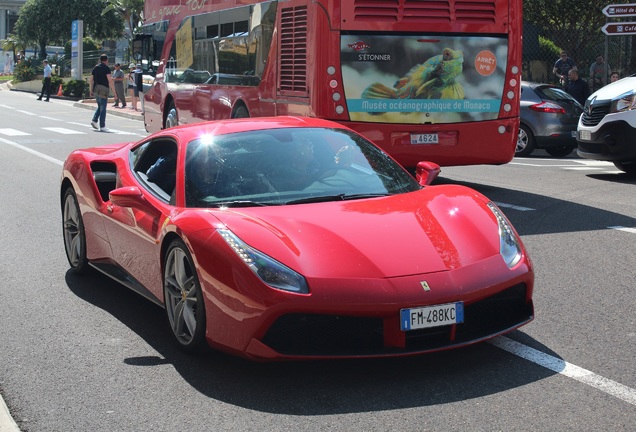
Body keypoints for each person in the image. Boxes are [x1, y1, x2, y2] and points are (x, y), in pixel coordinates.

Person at [88, 54, 115, 132]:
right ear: (106, 60)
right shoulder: (106, 68)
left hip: (96, 88)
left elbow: (91, 80)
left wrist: (91, 90)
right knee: (103, 107)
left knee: (100, 106)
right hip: (104, 89)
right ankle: (102, 125)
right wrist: (114, 93)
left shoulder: (95, 68)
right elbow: (110, 80)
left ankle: (94, 120)